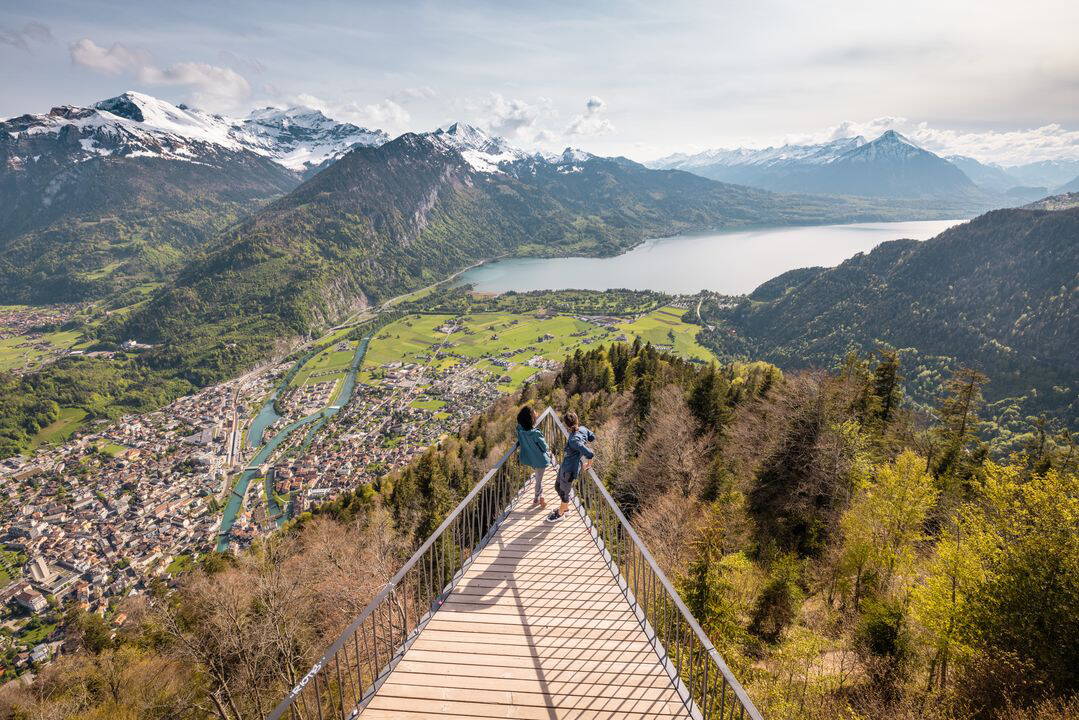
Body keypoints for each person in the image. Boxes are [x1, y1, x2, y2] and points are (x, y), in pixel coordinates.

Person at [546, 411, 594, 523]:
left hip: (570, 470)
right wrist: (585, 438)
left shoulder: (574, 440)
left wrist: (589, 463)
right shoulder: (583, 429)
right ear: (577, 420)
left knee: (564, 492)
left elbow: (589, 453)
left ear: (566, 425)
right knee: (557, 486)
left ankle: (561, 513)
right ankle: (565, 508)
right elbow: (592, 437)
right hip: (565, 465)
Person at [516, 406, 553, 509]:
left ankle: (538, 498)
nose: (536, 414)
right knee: (539, 480)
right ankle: (539, 498)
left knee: (538, 478)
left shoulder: (519, 430)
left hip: (530, 458)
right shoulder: (535, 434)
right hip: (540, 460)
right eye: (534, 413)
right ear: (531, 418)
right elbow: (545, 447)